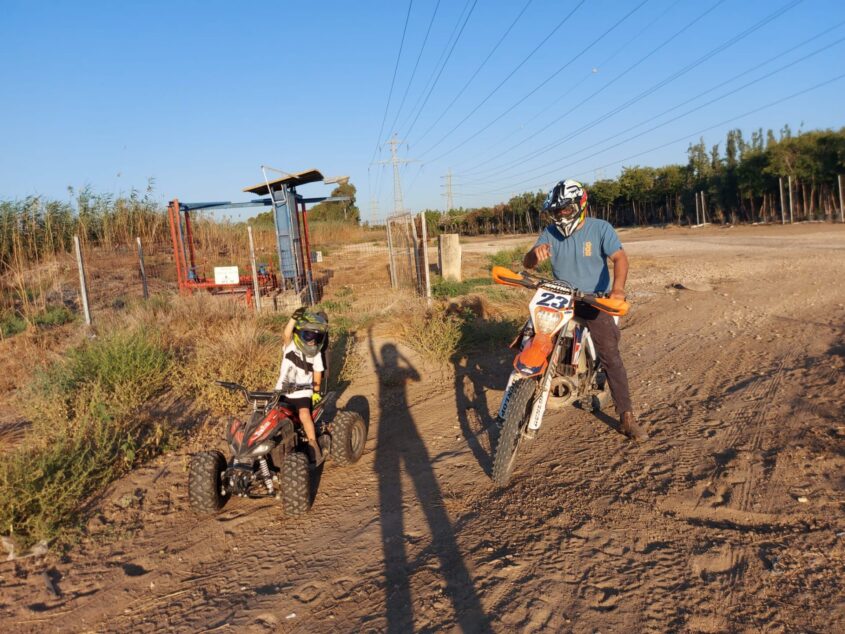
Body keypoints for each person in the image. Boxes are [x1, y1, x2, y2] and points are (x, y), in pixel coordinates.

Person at [523, 178, 647, 441]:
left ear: (580, 205)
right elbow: (529, 261)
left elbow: (620, 258)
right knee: (532, 332)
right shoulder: (550, 233)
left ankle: (626, 416)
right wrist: (534, 256)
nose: (559, 215)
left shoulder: (600, 228)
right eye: (555, 210)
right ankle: (525, 385)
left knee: (610, 355)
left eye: (564, 209)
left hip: (594, 300)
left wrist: (618, 289)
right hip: (561, 297)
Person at [275, 308, 329, 464]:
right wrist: (293, 319)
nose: (312, 340)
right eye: (308, 335)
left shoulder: (316, 354)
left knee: (305, 415)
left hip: (302, 393)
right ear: (299, 334)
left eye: (316, 337)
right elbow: (286, 334)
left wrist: (316, 391)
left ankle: (313, 444)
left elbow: (317, 372)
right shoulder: (290, 346)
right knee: (271, 416)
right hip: (282, 392)